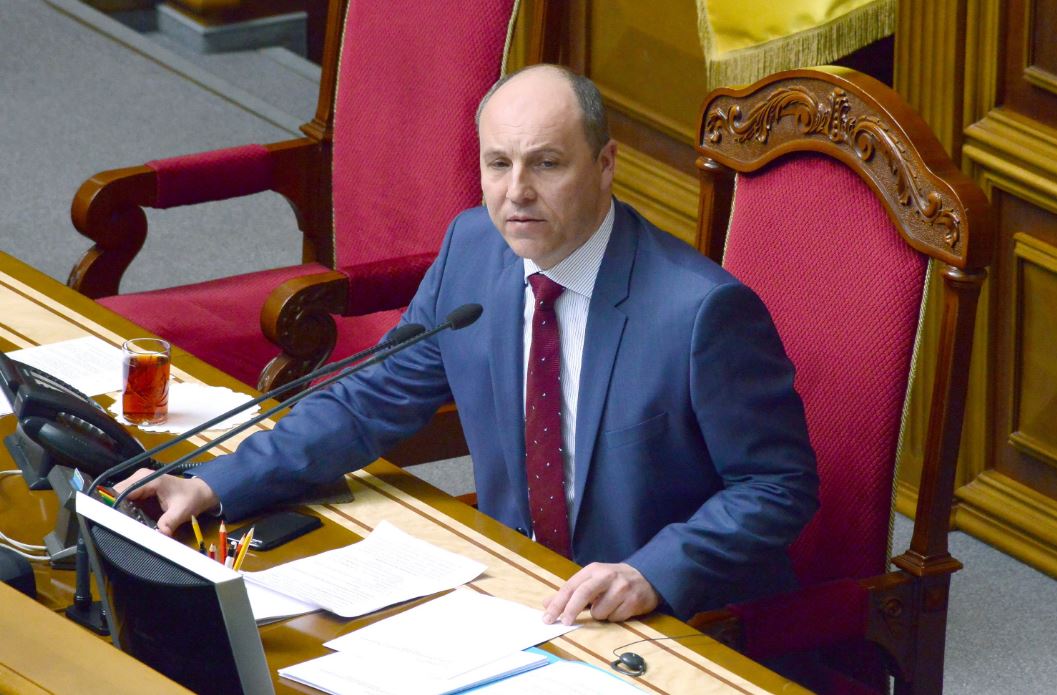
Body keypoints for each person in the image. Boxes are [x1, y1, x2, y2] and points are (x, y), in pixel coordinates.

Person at [118, 65, 818, 625]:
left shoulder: (699, 312)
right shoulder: (473, 248)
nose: (517, 193)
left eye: (547, 164)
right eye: (497, 163)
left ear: (605, 164)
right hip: (511, 591)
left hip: (662, 619)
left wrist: (650, 573)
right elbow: (372, 398)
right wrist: (216, 482)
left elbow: (776, 486)